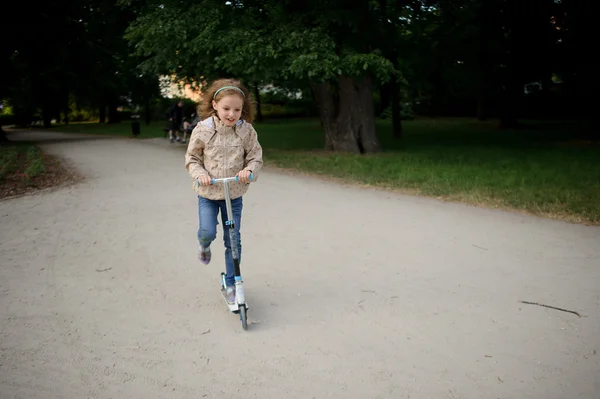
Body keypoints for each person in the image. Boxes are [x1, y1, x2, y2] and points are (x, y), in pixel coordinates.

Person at [184, 79, 263, 304]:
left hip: (233, 194)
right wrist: (199, 174)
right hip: (208, 193)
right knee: (208, 231)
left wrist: (249, 169)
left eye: (237, 109)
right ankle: (204, 244)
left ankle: (232, 282)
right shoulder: (204, 129)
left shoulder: (245, 130)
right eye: (226, 108)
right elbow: (192, 158)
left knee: (233, 241)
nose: (231, 114)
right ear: (215, 105)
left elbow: (255, 156)